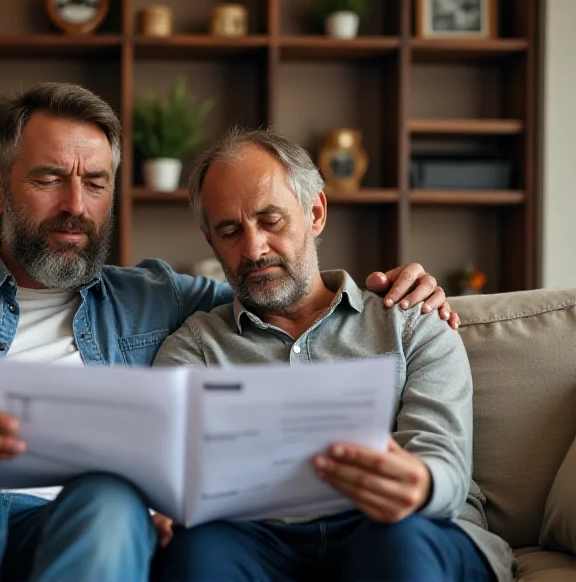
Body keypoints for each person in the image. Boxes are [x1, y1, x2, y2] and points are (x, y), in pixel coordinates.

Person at [0, 83, 456, 582]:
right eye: (48, 179)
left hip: (68, 524)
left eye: (95, 183)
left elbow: (275, 289)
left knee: (109, 501)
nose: (75, 203)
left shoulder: (157, 295)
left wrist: (393, 291)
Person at [150, 127, 514, 582]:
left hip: (399, 527)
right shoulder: (195, 349)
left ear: (316, 212)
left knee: (397, 543)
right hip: (256, 538)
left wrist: (418, 484)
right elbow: (163, 462)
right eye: (230, 230)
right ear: (211, 242)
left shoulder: (412, 322)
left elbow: (443, 457)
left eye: (271, 219)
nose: (254, 248)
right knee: (197, 553)